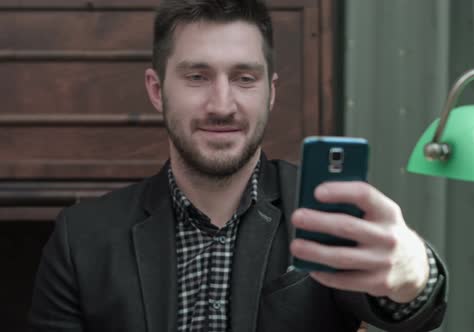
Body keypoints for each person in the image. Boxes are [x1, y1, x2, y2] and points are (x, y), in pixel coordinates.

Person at [28, 1, 448, 331]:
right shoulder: (80, 237)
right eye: (197, 77)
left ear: (270, 92)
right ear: (157, 90)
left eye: (245, 78)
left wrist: (416, 272)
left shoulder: (325, 211)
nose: (222, 105)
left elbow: (412, 311)